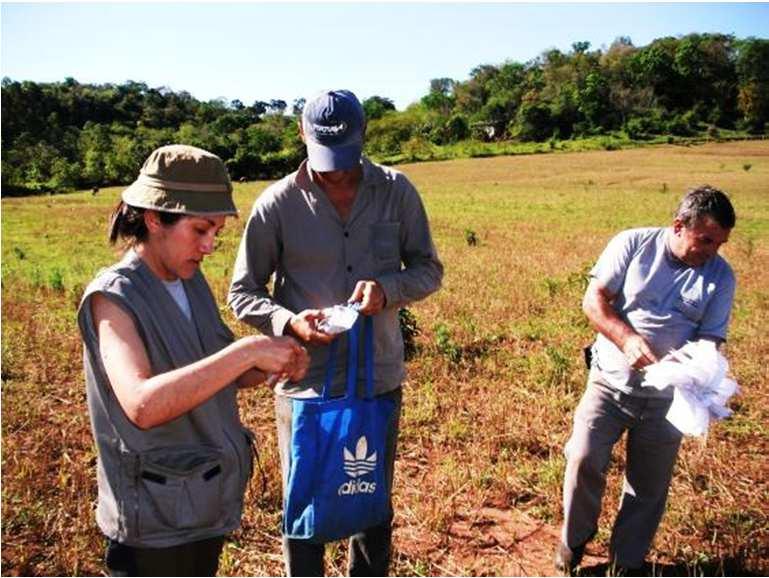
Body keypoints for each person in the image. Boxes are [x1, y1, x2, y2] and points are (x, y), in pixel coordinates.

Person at [228, 89, 444, 576]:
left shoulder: (397, 191)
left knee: (369, 496)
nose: (335, 172)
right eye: (325, 158)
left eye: (344, 158)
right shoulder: (277, 204)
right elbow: (242, 292)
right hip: (304, 381)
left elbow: (428, 269)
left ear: (365, 135)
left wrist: (387, 291)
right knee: (304, 499)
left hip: (376, 378)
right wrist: (289, 322)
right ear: (302, 135)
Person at [77, 144, 309, 576]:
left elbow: (221, 370)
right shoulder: (113, 298)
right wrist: (247, 351)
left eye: (216, 232)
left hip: (202, 503)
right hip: (153, 520)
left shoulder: (189, 280)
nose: (209, 245)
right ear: (153, 218)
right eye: (200, 230)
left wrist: (273, 358)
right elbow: (143, 406)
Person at [554, 185, 737, 574]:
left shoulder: (720, 276)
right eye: (705, 240)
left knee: (648, 487)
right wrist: (627, 339)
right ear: (678, 226)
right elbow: (595, 300)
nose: (711, 251)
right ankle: (572, 545)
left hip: (669, 400)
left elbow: (711, 338)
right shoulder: (634, 244)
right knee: (583, 459)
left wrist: (695, 365)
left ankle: (626, 564)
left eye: (719, 243)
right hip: (608, 383)